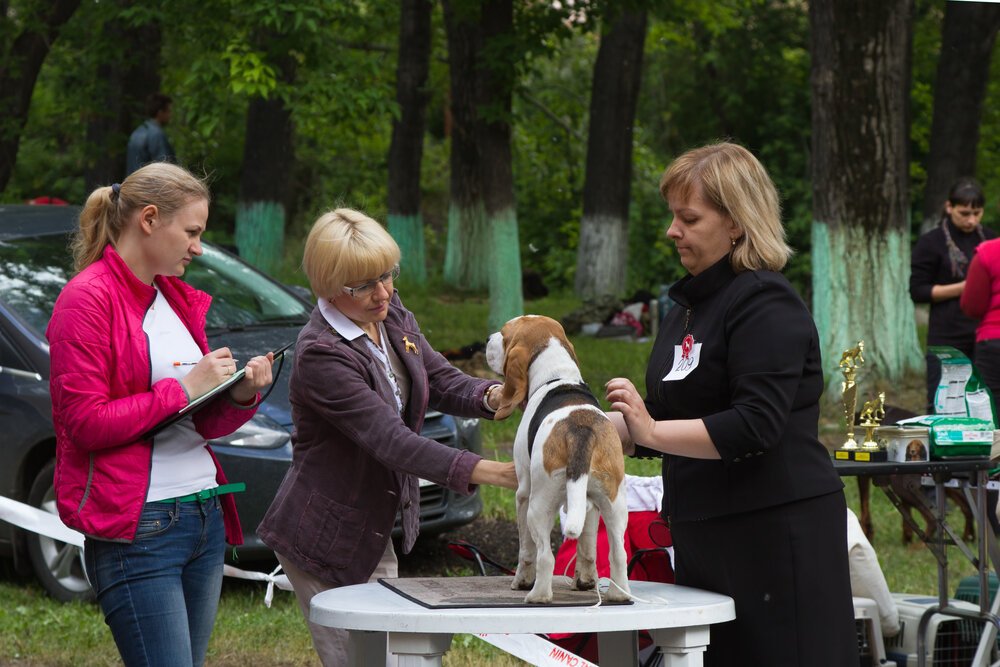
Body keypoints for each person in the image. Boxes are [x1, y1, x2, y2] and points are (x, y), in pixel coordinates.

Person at [604, 142, 858, 666]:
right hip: (706, 535)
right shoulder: (688, 306)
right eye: (673, 216)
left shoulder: (765, 299)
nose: (672, 231)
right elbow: (665, 416)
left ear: (738, 222)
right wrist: (594, 428)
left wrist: (649, 430)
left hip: (774, 535)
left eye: (689, 218)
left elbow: (754, 426)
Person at [256, 208, 518, 666]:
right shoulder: (321, 355)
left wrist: (493, 396)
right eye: (364, 285)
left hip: (368, 529)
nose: (383, 292)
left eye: (387, 275)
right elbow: (391, 442)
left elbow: (435, 377)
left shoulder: (388, 311)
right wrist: (501, 472)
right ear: (329, 286)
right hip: (325, 540)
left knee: (399, 657)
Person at [47, 162, 275, 667]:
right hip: (139, 530)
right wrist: (184, 387)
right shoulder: (85, 300)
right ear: (148, 219)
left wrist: (238, 396)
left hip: (204, 516)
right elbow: (84, 424)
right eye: (192, 232)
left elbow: (192, 422)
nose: (198, 247)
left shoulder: (171, 298)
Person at [910, 178, 995, 412]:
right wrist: (965, 287)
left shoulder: (988, 239)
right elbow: (918, 291)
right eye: (964, 213)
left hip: (981, 335)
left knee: (982, 402)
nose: (971, 220)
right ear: (949, 207)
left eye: (976, 213)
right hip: (946, 335)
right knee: (941, 402)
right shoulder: (931, 242)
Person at [126, 92, 177, 176]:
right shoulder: (157, 134)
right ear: (160, 112)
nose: (171, 116)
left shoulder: (137, 131)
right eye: (169, 111)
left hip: (133, 185)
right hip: (149, 187)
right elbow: (165, 170)